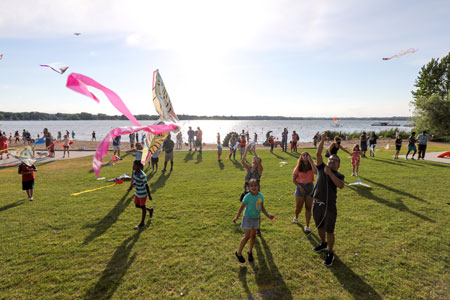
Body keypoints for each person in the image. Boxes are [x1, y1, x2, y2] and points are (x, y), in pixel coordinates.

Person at [311, 131, 345, 267]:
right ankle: (323, 243)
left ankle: (330, 252)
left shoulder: (338, 174)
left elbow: (341, 185)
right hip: (316, 204)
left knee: (329, 229)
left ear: (338, 165)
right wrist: (323, 139)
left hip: (329, 206)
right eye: (330, 159)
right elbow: (318, 154)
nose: (331, 161)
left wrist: (330, 173)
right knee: (319, 226)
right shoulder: (321, 168)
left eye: (334, 161)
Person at [233, 178, 274, 263]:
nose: (253, 187)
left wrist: (268, 215)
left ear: (258, 186)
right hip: (247, 218)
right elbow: (241, 207)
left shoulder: (260, 196)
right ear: (248, 188)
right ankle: (238, 252)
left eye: (255, 185)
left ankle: (250, 251)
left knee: (253, 236)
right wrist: (237, 217)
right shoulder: (247, 197)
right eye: (251, 186)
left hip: (256, 218)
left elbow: (262, 207)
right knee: (247, 236)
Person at [241, 145, 263, 235]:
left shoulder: (259, 169)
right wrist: (246, 150)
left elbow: (258, 162)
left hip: (255, 191)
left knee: (257, 209)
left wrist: (254, 151)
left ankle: (257, 228)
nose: (254, 158)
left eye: (256, 158)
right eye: (254, 157)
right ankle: (248, 226)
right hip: (247, 190)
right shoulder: (249, 168)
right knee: (248, 208)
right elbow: (242, 160)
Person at [292, 152, 318, 233]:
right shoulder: (298, 167)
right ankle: (296, 216)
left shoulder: (312, 165)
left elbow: (316, 172)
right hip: (300, 187)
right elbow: (293, 180)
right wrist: (300, 187)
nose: (305, 156)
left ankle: (307, 225)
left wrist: (311, 161)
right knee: (299, 207)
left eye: (307, 155)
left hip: (310, 187)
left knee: (308, 207)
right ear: (301, 157)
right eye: (304, 155)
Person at [128, 161, 153, 229]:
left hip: (142, 193)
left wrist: (149, 195)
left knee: (143, 206)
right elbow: (135, 181)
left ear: (139, 167)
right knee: (137, 205)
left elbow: (146, 185)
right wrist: (131, 186)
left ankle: (142, 223)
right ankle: (150, 210)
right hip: (137, 192)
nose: (133, 167)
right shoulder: (134, 172)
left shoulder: (143, 175)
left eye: (134, 166)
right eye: (133, 165)